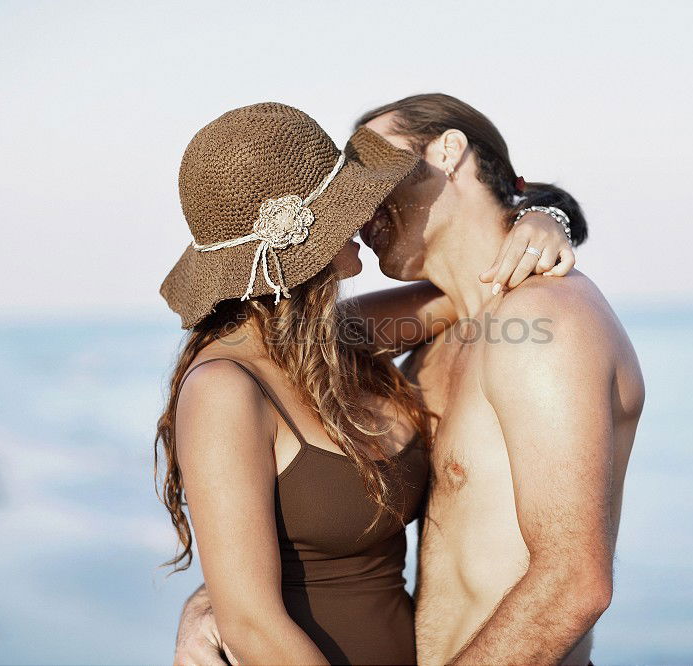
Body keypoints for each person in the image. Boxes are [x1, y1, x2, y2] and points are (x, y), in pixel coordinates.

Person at [175, 93, 645, 665]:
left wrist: (545, 215)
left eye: (379, 174)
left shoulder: (544, 322)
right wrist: (218, 600)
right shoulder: (428, 337)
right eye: (349, 188)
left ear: (449, 151)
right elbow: (264, 373)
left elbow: (574, 583)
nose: (362, 205)